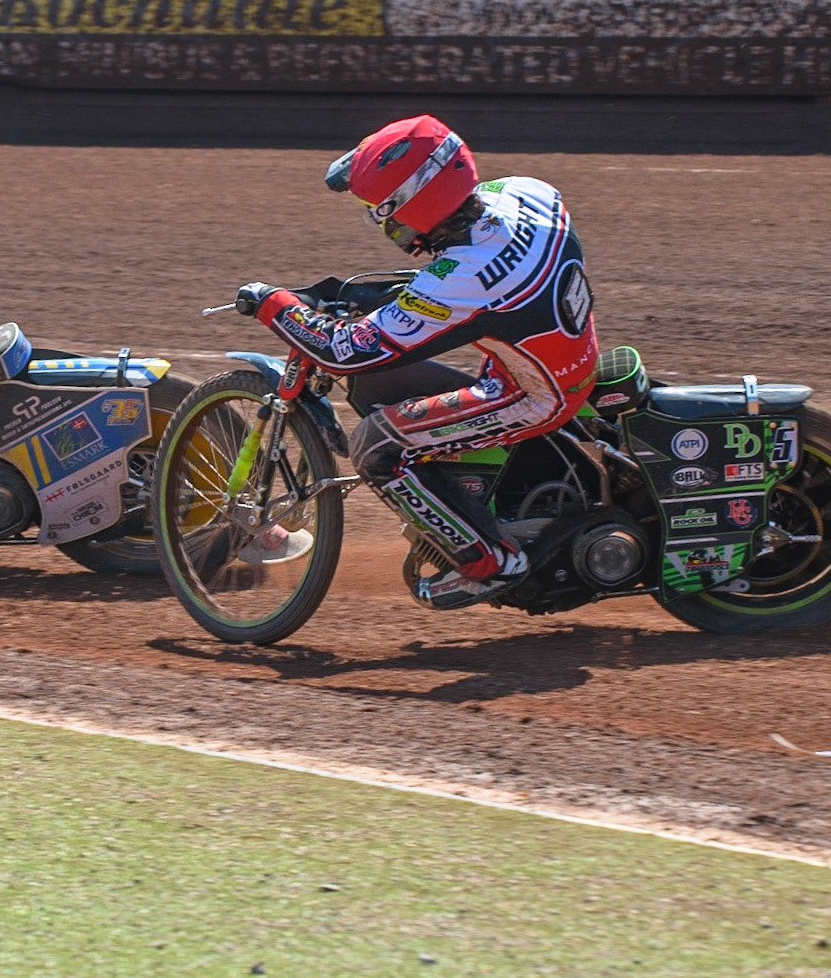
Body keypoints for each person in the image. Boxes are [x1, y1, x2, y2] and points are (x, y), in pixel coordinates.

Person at [233, 114, 601, 609]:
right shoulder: (528, 192)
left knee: (375, 445)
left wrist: (272, 303)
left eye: (383, 213)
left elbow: (346, 353)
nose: (385, 225)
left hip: (532, 396)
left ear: (416, 205)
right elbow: (467, 273)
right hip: (562, 357)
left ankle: (490, 562)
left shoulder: (464, 276)